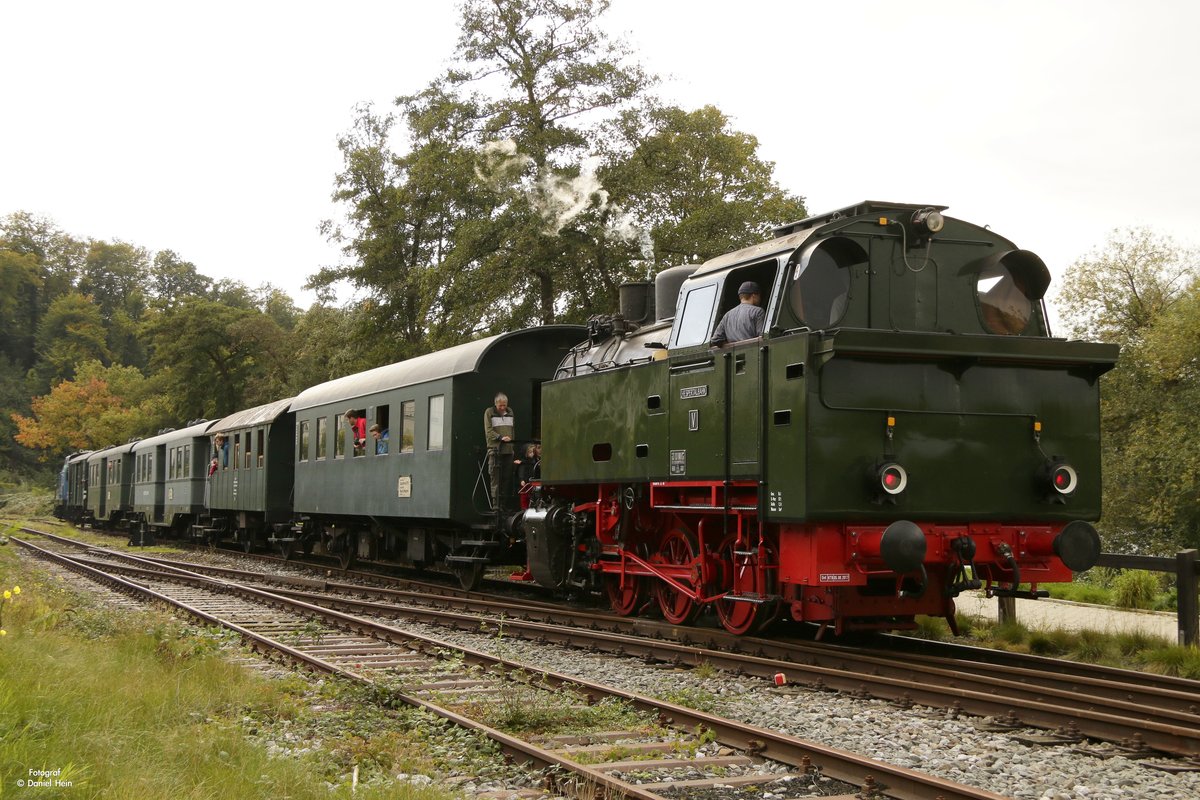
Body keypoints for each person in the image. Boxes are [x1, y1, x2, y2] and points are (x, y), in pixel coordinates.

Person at [710, 280, 766, 346]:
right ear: (754, 296)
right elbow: (763, 337)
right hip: (752, 352)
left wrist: (732, 346)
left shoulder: (727, 315)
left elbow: (715, 339)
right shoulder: (758, 311)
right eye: (759, 296)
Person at [484, 393, 514, 511]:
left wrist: (512, 447)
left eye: (504, 405)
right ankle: (496, 506)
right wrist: (500, 437)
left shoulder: (510, 411)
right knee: (495, 478)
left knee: (506, 478)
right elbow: (489, 431)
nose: (502, 408)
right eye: (500, 405)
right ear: (495, 404)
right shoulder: (489, 412)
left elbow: (512, 430)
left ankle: (503, 504)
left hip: (508, 451)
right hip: (495, 450)